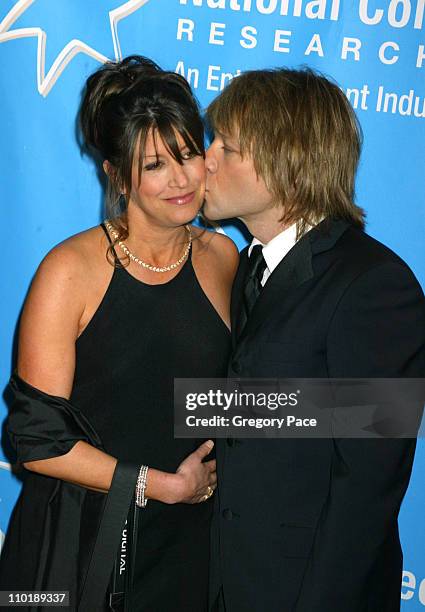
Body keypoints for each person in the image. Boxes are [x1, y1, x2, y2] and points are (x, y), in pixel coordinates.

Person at [0, 55, 238, 611]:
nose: (180, 180)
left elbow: (224, 396)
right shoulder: (70, 271)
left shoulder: (223, 256)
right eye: (155, 164)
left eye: (188, 155)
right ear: (115, 173)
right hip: (78, 547)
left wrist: (366, 410)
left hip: (190, 549)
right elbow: (37, 444)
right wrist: (161, 485)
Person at [203, 68, 425, 612]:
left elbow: (368, 489)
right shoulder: (249, 267)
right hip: (228, 582)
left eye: (227, 147)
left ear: (287, 166)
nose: (205, 159)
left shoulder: (374, 285)